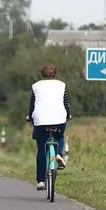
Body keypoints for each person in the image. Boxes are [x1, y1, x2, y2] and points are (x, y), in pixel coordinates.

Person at [26, 63, 72, 191]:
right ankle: (58, 154)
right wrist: (68, 115)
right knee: (59, 136)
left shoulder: (36, 86)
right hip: (59, 119)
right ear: (55, 74)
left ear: (42, 74)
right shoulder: (62, 85)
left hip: (41, 121)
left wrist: (30, 116)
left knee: (41, 147)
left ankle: (40, 181)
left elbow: (32, 105)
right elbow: (65, 103)